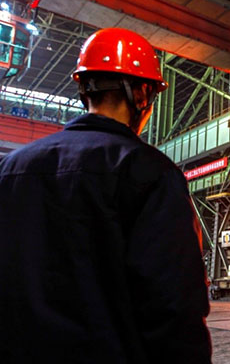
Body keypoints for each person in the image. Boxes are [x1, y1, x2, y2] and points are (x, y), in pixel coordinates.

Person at [0, 28, 212, 363]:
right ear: (142, 95)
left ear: (84, 89)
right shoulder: (150, 172)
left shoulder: (10, 169)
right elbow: (173, 304)